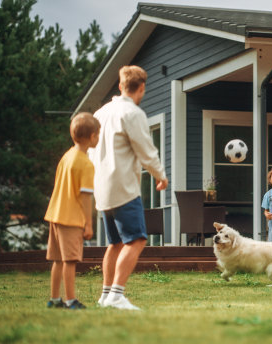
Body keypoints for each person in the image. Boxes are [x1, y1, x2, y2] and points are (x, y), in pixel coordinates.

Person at [92, 65, 168, 310]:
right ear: (142, 87)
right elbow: (146, 150)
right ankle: (116, 294)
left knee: (114, 243)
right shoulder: (133, 113)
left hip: (102, 187)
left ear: (120, 84)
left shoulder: (100, 113)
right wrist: (161, 176)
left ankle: (105, 295)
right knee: (136, 240)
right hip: (123, 187)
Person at [44, 112, 100, 310]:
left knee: (58, 260)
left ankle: (54, 299)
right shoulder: (85, 163)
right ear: (92, 136)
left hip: (55, 214)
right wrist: (89, 224)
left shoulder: (66, 156)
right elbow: (85, 196)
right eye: (98, 134)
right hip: (71, 218)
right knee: (70, 260)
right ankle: (70, 300)